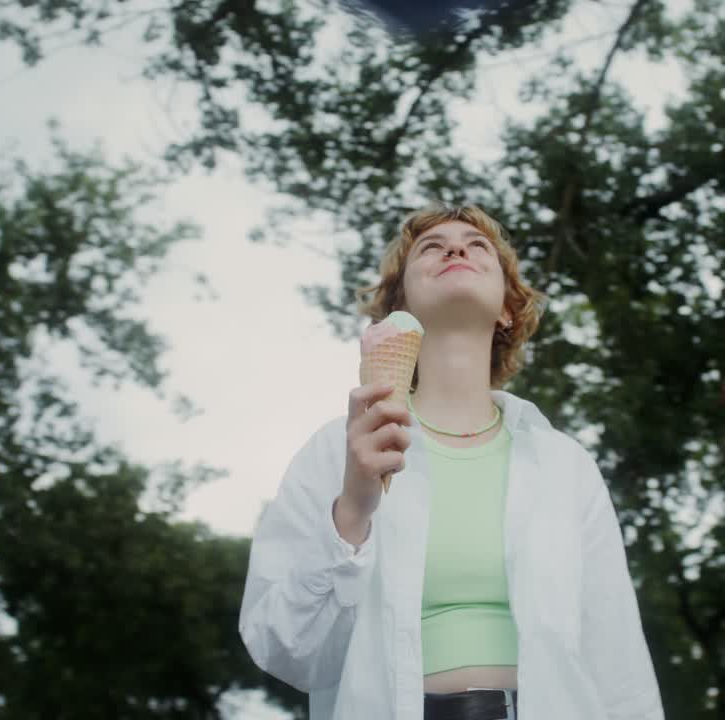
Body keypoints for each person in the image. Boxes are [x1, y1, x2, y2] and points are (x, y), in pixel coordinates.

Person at [239, 203, 664, 719]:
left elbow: (616, 659)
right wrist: (352, 511)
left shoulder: (565, 465)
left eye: (477, 245)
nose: (456, 249)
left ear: (507, 309)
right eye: (431, 248)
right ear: (400, 308)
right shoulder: (340, 450)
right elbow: (286, 652)